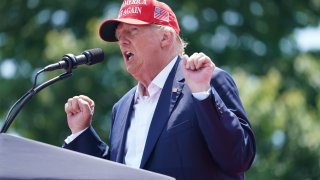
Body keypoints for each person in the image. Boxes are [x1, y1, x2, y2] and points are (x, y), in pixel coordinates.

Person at [63, 0, 256, 179]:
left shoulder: (207, 81)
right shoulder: (120, 108)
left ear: (165, 37)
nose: (122, 42)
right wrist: (82, 133)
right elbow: (116, 173)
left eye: (132, 31)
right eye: (119, 36)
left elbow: (239, 157)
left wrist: (203, 95)